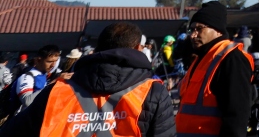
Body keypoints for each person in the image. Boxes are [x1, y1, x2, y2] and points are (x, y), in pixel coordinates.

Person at [0, 23, 176, 137]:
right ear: (139, 48)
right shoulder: (153, 91)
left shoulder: (57, 90)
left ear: (98, 48)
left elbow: (11, 133)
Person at [176, 1, 255, 137]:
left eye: (199, 29)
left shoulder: (231, 59)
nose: (193, 35)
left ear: (217, 29)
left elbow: (237, 116)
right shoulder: (202, 58)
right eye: (192, 29)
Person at [14, 45, 60, 112]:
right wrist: (51, 85)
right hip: (22, 120)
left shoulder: (43, 75)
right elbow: (27, 101)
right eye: (49, 62)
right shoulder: (27, 77)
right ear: (38, 60)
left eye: (55, 61)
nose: (53, 65)